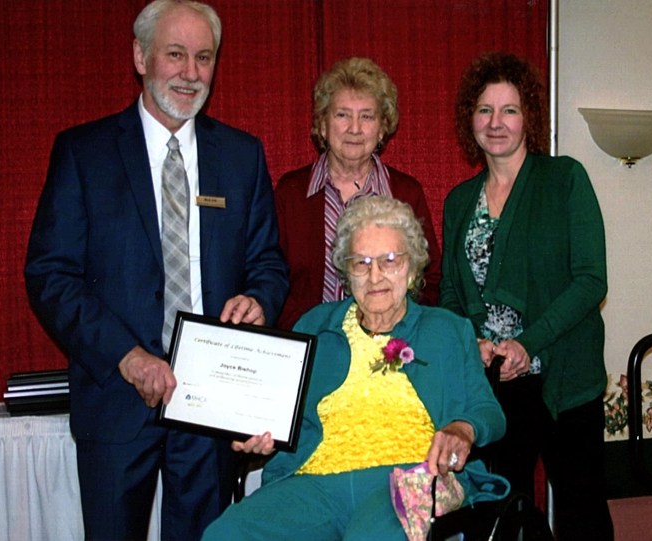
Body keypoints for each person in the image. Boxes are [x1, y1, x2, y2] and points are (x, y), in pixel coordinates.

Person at [24, 1, 288, 539]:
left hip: (212, 400)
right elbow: (51, 276)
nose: (191, 73)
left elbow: (268, 263)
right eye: (176, 55)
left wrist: (259, 298)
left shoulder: (242, 156)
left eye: (204, 57)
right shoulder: (84, 153)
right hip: (116, 397)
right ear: (141, 57)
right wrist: (126, 356)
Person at [202, 195, 508, 540]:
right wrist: (264, 437)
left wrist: (463, 429)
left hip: (409, 477)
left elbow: (488, 411)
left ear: (412, 266)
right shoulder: (314, 326)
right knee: (227, 533)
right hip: (314, 482)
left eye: (389, 260)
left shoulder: (448, 330)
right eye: (361, 263)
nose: (375, 275)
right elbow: (279, 416)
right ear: (347, 271)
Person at [440, 51, 614, 540]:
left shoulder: (565, 179)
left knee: (582, 510)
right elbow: (452, 291)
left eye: (509, 110)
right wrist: (471, 340)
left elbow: (590, 279)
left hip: (562, 378)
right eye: (484, 110)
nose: (496, 123)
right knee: (501, 512)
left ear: (528, 117)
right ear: (469, 119)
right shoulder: (458, 200)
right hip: (495, 383)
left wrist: (528, 342)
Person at [274, 57, 441, 330]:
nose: (354, 128)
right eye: (342, 115)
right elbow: (273, 276)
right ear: (323, 125)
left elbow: (430, 280)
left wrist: (399, 334)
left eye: (366, 116)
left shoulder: (405, 193)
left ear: (382, 127)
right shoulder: (290, 193)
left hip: (388, 351)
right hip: (312, 345)